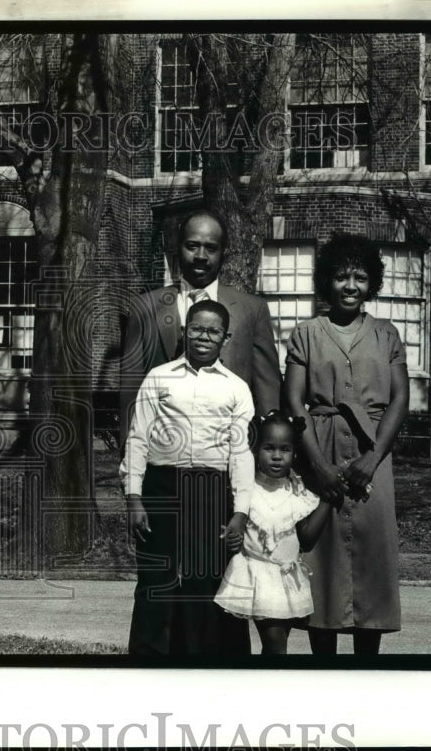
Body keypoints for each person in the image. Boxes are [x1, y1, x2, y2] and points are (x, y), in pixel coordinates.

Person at [283, 232, 409, 656]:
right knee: (323, 560)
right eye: (340, 276)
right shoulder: (306, 333)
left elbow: (399, 400)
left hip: (375, 450)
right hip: (319, 446)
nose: (350, 286)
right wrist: (315, 464)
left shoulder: (387, 334)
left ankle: (366, 669)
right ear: (326, 282)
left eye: (359, 277)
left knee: (371, 559)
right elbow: (293, 401)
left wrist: (373, 458)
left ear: (371, 283)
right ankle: (323, 667)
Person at [122, 299, 254, 655]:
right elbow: (137, 438)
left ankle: (201, 663)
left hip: (211, 490)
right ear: (185, 331)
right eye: (196, 328)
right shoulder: (159, 377)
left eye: (213, 331)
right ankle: (148, 662)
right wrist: (134, 498)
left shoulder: (236, 388)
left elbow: (241, 454)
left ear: (225, 338)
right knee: (156, 579)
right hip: (160, 486)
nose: (203, 337)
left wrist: (240, 513)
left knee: (205, 579)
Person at [119, 211, 282, 446]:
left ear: (223, 253)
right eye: (192, 246)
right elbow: (131, 392)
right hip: (162, 454)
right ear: (178, 248)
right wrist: (129, 453)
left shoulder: (251, 309)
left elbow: (267, 389)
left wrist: (268, 453)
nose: (201, 256)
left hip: (229, 453)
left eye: (211, 248)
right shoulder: (145, 307)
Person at [214, 412, 333, 655]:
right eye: (269, 448)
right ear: (256, 450)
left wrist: (328, 501)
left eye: (285, 449)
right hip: (255, 574)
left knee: (276, 643)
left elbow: (307, 540)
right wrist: (230, 538)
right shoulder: (246, 491)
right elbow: (229, 528)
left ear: (295, 453)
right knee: (276, 642)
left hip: (286, 578)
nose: (277, 456)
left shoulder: (296, 492)